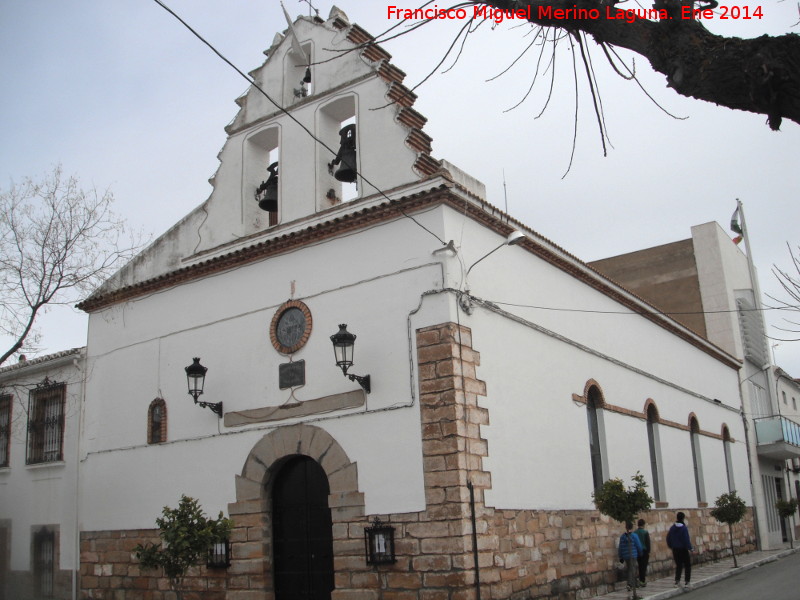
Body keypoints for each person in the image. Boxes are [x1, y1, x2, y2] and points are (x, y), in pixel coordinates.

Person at [666, 511, 694, 588]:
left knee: (678, 565)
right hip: (683, 549)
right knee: (687, 565)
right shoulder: (683, 528)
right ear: (683, 518)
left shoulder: (672, 528)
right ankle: (687, 582)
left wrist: (671, 546)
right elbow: (686, 539)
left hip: (675, 549)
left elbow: (668, 538)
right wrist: (690, 548)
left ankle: (677, 581)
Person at [618, 520, 644, 596]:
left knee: (631, 569)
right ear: (632, 527)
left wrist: (620, 556)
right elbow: (638, 545)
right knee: (631, 569)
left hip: (625, 556)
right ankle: (629, 584)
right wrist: (641, 553)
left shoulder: (622, 537)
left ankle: (635, 583)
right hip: (633, 555)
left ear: (626, 527)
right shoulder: (634, 536)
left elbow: (620, 547)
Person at [633, 518, 651, 587]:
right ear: (643, 524)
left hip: (637, 551)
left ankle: (640, 579)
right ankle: (642, 580)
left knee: (640, 566)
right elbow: (647, 543)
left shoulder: (635, 533)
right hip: (644, 551)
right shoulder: (645, 532)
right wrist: (648, 551)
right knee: (643, 566)